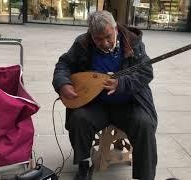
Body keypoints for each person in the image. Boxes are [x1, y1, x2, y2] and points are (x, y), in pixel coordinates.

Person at [52, 10, 158, 180]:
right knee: (79, 119)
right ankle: (84, 164)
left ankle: (145, 176)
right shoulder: (83, 43)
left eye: (108, 36)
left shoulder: (133, 43)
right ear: (91, 35)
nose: (105, 43)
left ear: (115, 29)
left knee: (144, 124)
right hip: (96, 104)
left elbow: (146, 72)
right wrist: (63, 83)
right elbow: (64, 64)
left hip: (128, 103)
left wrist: (121, 83)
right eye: (98, 39)